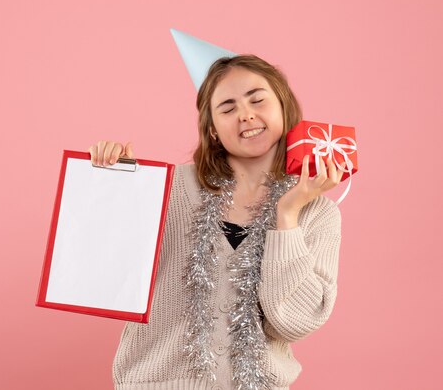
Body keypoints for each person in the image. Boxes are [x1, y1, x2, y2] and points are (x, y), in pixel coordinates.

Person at [88, 54, 342, 390]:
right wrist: (117, 187)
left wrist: (288, 216)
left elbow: (294, 322)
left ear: (284, 108)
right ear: (213, 129)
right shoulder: (167, 189)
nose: (246, 114)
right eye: (228, 107)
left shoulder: (317, 214)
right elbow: (108, 271)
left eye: (257, 99)